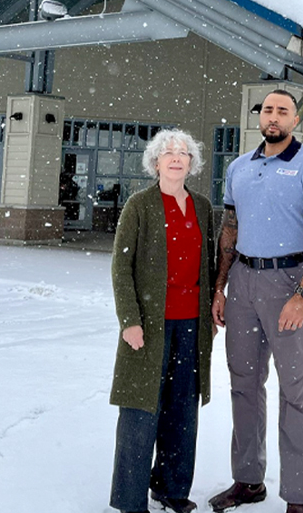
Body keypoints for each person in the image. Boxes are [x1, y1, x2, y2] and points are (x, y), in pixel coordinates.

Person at [208, 90, 303, 513]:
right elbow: (230, 229)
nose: (274, 116)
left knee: (295, 389)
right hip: (244, 281)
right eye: (268, 109)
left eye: (283, 110)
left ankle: (299, 498)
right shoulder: (238, 168)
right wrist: (220, 286)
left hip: (290, 282)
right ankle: (247, 480)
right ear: (259, 116)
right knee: (243, 385)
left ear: (295, 119)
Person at [109, 129, 216, 513]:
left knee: (182, 409)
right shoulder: (139, 205)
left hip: (191, 324)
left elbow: (209, 264)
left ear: (192, 163)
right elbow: (122, 267)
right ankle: (129, 499)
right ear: (156, 162)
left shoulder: (202, 207)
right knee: (141, 409)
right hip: (149, 325)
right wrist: (130, 320)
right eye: (168, 153)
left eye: (183, 153)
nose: (176, 158)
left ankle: (171, 488)